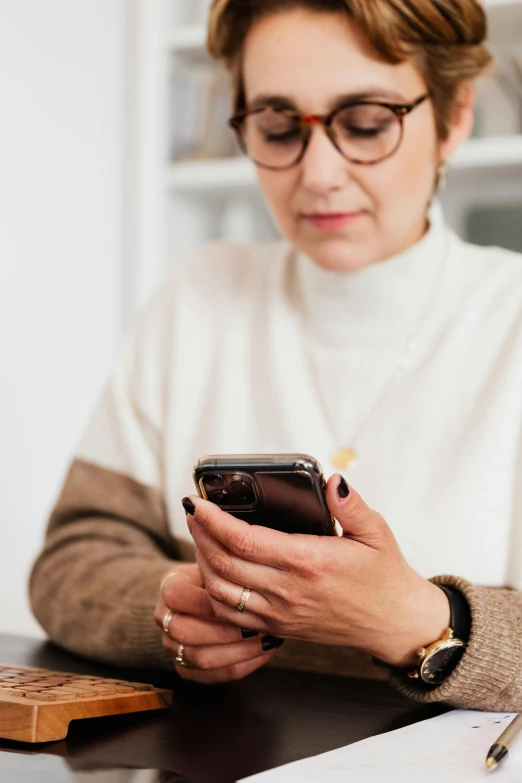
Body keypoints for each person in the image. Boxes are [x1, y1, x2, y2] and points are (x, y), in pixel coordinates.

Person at [30, 0, 522, 711]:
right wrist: (168, 609)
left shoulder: (507, 317)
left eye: (366, 123)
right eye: (278, 125)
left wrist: (422, 622)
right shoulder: (199, 294)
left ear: (455, 116)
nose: (317, 173)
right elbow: (72, 558)